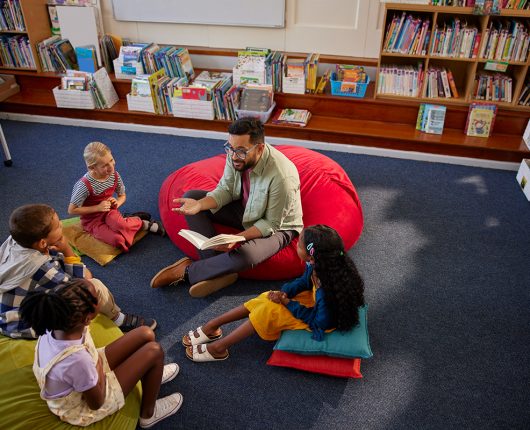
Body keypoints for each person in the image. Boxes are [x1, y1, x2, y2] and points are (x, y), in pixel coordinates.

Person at [151, 118, 304, 297]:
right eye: (230, 148)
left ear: (260, 148)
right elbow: (226, 190)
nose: (233, 156)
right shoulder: (235, 155)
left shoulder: (283, 176)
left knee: (248, 255)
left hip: (279, 227)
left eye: (240, 151)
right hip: (245, 208)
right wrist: (200, 205)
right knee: (191, 198)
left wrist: (237, 238)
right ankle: (217, 272)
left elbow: (271, 223)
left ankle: (188, 271)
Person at [181, 225, 365, 362]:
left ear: (311, 255)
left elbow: (318, 321)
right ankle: (214, 325)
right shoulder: (317, 266)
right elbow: (303, 282)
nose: (296, 246)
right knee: (268, 296)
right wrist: (283, 293)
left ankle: (219, 348)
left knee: (269, 312)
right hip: (314, 301)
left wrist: (287, 303)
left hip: (319, 320)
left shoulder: (327, 291)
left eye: (299, 245)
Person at [20, 279, 183, 428]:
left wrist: (95, 365)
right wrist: (97, 368)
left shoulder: (57, 325)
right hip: (85, 403)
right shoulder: (77, 361)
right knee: (154, 351)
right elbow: (96, 403)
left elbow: (84, 363)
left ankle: (149, 375)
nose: (99, 293)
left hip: (87, 369)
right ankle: (148, 414)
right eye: (97, 296)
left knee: (146, 333)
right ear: (87, 318)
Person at [0, 204, 156, 339]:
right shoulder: (43, 268)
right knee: (94, 286)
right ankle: (119, 319)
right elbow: (84, 280)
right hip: (27, 324)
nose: (61, 225)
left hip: (11, 311)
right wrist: (67, 248)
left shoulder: (16, 241)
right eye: (58, 226)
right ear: (42, 242)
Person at [68, 141, 165, 252]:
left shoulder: (114, 175)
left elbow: (122, 195)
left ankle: (144, 224)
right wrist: (97, 208)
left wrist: (117, 203)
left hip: (110, 212)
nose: (111, 167)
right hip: (92, 221)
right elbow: (71, 210)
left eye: (111, 160)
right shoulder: (83, 185)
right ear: (92, 168)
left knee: (122, 226)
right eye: (105, 165)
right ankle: (129, 220)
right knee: (118, 240)